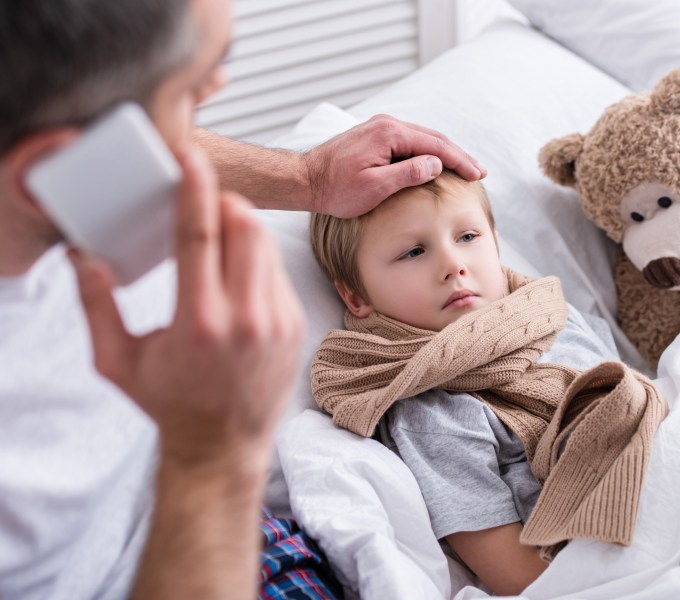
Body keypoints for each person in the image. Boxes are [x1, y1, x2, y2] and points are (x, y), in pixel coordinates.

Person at [0, 0, 486, 598]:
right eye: (189, 90)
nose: (218, 87)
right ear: (44, 170)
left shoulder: (48, 135)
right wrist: (214, 459)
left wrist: (304, 179)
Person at [309, 171, 667, 595]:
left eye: (467, 237)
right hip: (606, 557)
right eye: (414, 251)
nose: (453, 265)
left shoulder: (552, 313)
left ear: (494, 242)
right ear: (357, 298)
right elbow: (514, 574)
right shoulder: (431, 413)